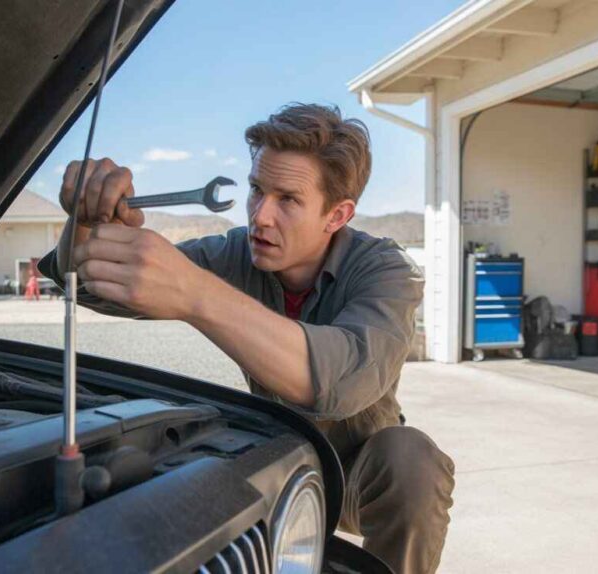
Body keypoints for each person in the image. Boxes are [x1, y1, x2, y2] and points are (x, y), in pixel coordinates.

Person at [39, 103, 454, 574]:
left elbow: (345, 381)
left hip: (360, 474)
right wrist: (87, 222)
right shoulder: (236, 253)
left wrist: (197, 294)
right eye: (257, 190)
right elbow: (89, 283)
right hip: (271, 451)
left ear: (337, 215)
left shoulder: (385, 270)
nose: (260, 216)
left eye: (288, 200)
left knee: (412, 459)